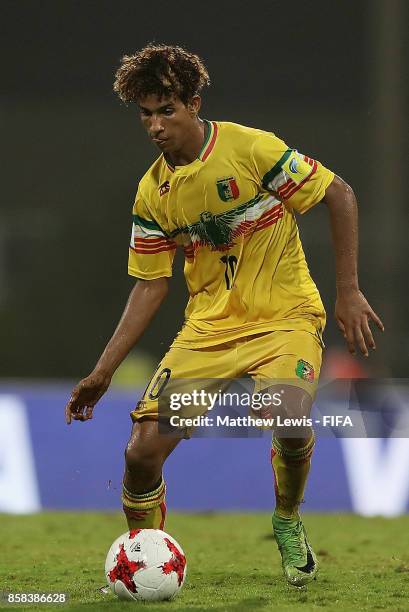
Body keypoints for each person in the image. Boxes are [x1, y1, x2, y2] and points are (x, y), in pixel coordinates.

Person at [65, 44, 384, 587]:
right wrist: (103, 370)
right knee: (142, 453)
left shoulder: (249, 148)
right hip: (209, 333)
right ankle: (140, 558)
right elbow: (149, 285)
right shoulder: (153, 193)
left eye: (167, 110)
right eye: (146, 113)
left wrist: (348, 290)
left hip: (285, 317)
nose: (156, 126)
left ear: (194, 103)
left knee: (285, 416)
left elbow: (340, 195)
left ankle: (286, 519)